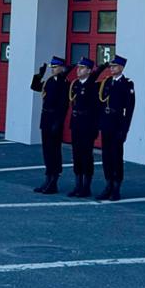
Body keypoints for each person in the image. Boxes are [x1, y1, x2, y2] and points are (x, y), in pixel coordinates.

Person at [96, 56, 136, 201]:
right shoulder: (106, 82)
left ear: (121, 67)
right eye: (111, 66)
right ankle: (108, 185)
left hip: (117, 124)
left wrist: (125, 130)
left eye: (114, 66)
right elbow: (100, 104)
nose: (111, 68)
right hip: (106, 123)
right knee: (106, 156)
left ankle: (116, 187)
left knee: (116, 157)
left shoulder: (127, 84)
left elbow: (129, 110)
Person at [29, 56, 70, 194]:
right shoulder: (50, 81)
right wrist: (39, 75)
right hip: (46, 118)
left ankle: (54, 179)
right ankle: (48, 177)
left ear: (62, 68)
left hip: (55, 119)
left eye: (55, 67)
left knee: (54, 151)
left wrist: (58, 122)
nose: (52, 69)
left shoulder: (64, 83)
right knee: (46, 150)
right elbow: (35, 87)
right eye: (52, 67)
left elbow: (64, 105)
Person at [66, 57, 101, 198]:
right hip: (76, 123)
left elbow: (97, 109)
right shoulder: (75, 84)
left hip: (88, 125)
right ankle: (78, 185)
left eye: (82, 68)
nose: (78, 70)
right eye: (78, 67)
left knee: (86, 155)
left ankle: (86, 187)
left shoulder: (93, 86)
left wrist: (95, 128)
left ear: (88, 70)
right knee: (76, 155)